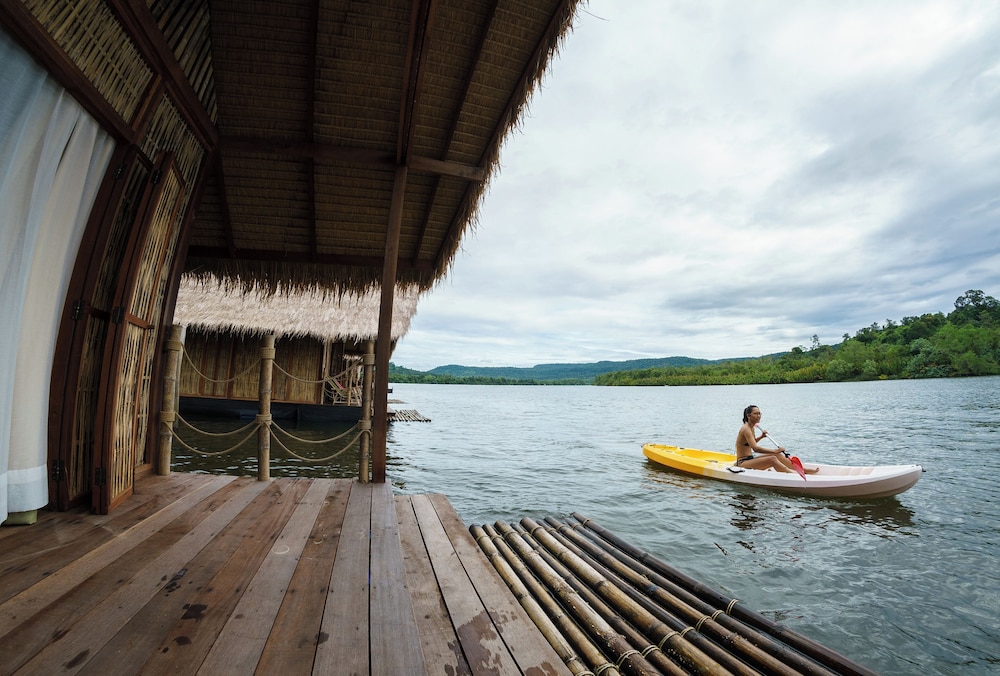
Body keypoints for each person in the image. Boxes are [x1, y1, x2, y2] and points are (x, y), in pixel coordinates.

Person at [735, 405, 818, 473]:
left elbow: (749, 444)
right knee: (772, 458)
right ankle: (791, 474)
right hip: (742, 463)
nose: (758, 416)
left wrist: (761, 437)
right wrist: (775, 450)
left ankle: (802, 470)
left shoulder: (751, 427)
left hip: (750, 459)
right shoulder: (746, 429)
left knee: (777, 455)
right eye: (755, 414)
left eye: (760, 413)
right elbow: (755, 448)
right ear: (749, 416)